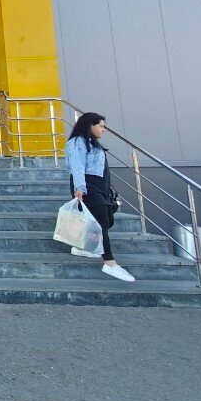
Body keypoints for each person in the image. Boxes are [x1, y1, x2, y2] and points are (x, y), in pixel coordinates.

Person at [64, 112, 136, 282]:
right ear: (89, 125)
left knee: (104, 219)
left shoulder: (93, 144)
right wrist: (80, 188)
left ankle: (83, 247)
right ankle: (109, 263)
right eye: (101, 126)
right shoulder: (77, 142)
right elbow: (77, 165)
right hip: (87, 185)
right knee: (101, 221)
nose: (104, 130)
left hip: (99, 186)